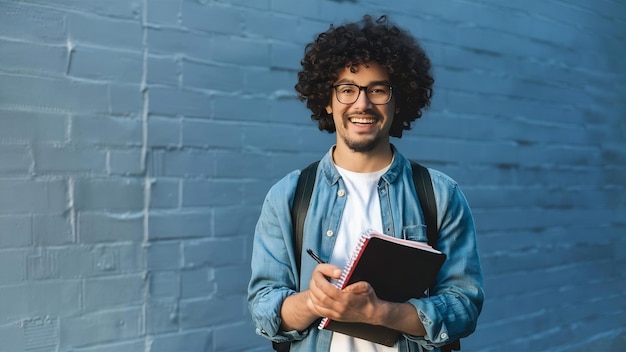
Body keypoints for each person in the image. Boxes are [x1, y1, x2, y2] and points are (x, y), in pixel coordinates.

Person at [248, 14, 484, 352]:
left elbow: (464, 307)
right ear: (327, 101)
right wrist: (312, 302)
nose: (362, 103)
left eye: (378, 89)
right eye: (347, 89)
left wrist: (381, 313)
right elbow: (263, 308)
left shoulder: (440, 195)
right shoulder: (288, 196)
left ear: (398, 100)